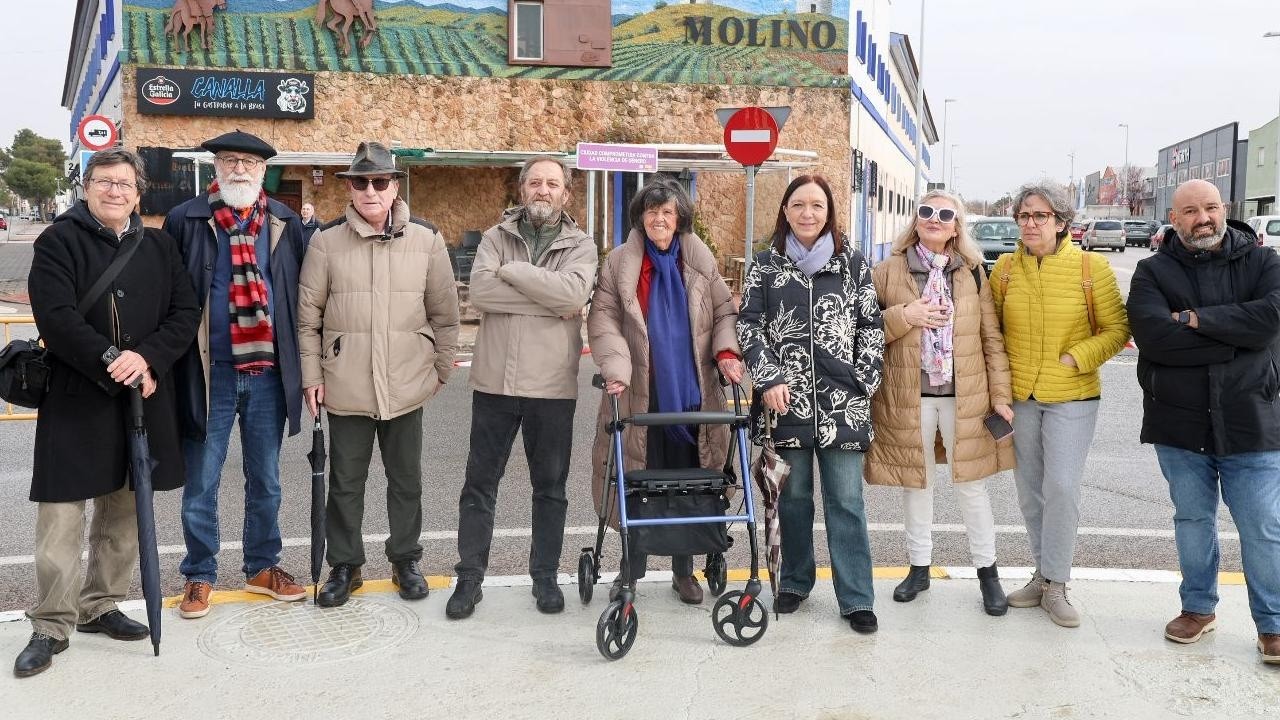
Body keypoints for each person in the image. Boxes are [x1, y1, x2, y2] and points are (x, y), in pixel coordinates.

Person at [16, 149, 199, 677]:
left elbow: (184, 312)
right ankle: (52, 623)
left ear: (139, 193)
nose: (115, 191)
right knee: (61, 516)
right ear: (86, 187)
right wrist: (110, 359)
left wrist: (149, 357)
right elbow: (55, 314)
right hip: (77, 396)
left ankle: (101, 604)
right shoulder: (59, 241)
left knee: (123, 511)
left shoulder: (160, 246)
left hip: (142, 396)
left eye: (124, 183)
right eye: (104, 181)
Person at [298, 141, 460, 608]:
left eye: (379, 181)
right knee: (345, 483)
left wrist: (440, 370)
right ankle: (345, 565)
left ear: (394, 187)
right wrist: (313, 376)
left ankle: (405, 559)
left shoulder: (427, 241)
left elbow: (445, 316)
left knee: (406, 479)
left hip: (408, 384)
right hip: (346, 384)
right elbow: (308, 320)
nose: (370, 190)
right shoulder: (325, 242)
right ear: (349, 187)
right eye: (360, 182)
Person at [1127, 179, 1280, 665]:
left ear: (1225, 208)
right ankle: (1197, 608)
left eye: (1211, 208)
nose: (1203, 219)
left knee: (1262, 526)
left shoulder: (1264, 262)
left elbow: (1271, 320)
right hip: (1179, 424)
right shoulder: (1152, 271)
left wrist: (1192, 319)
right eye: (1190, 211)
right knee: (1193, 521)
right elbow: (1153, 337)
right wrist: (1238, 336)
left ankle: (1273, 625)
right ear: (1174, 219)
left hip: (1253, 419)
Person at [164, 130, 310, 619]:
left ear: (264, 171)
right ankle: (199, 574)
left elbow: (300, 299)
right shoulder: (186, 219)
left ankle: (262, 566)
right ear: (216, 168)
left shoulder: (285, 221)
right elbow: (167, 295)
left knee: (265, 479)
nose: (239, 170)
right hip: (209, 373)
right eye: (229, 161)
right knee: (201, 480)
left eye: (249, 162)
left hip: (269, 372)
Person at [446, 156, 597, 619]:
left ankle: (546, 577)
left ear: (566, 195)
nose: (543, 190)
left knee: (549, 488)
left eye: (553, 183)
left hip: (551, 387)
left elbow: (574, 297)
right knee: (479, 485)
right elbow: (482, 294)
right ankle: (469, 579)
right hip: (494, 383)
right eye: (535, 182)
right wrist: (547, 299)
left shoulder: (581, 244)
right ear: (522, 189)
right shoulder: (496, 237)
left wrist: (513, 273)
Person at [736, 174, 884, 633]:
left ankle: (856, 596)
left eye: (816, 205)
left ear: (828, 213)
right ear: (784, 210)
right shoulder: (765, 265)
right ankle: (796, 582)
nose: (807, 213)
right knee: (793, 499)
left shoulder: (853, 265)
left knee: (846, 500)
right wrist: (769, 376)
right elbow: (749, 326)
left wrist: (863, 382)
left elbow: (871, 329)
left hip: (844, 408)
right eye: (798, 204)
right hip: (786, 407)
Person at [587, 177, 744, 606]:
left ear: (680, 219)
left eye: (668, 212)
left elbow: (724, 313)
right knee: (637, 479)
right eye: (652, 211)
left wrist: (727, 353)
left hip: (693, 396)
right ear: (640, 216)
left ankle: (683, 572)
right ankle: (630, 571)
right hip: (639, 393)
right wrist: (616, 368)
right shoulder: (619, 263)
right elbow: (603, 320)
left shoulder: (699, 259)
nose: (659, 218)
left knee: (690, 482)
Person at [865, 190, 1015, 616]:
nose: (933, 218)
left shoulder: (971, 273)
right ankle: (918, 568)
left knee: (971, 486)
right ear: (915, 220)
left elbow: (990, 338)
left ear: (956, 226)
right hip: (907, 396)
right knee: (918, 485)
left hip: (963, 397)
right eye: (926, 211)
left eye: (944, 213)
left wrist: (1001, 396)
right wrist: (904, 316)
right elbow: (864, 328)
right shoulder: (887, 271)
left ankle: (988, 574)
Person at [991, 183, 1129, 628]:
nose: (1031, 223)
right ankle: (1042, 576)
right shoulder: (1005, 270)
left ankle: (1059, 583)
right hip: (1021, 398)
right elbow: (991, 333)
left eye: (1041, 216)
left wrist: (1076, 358)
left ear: (1061, 222)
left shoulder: (1092, 268)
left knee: (1063, 487)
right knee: (1030, 492)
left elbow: (1115, 329)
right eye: (1024, 216)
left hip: (1073, 395)